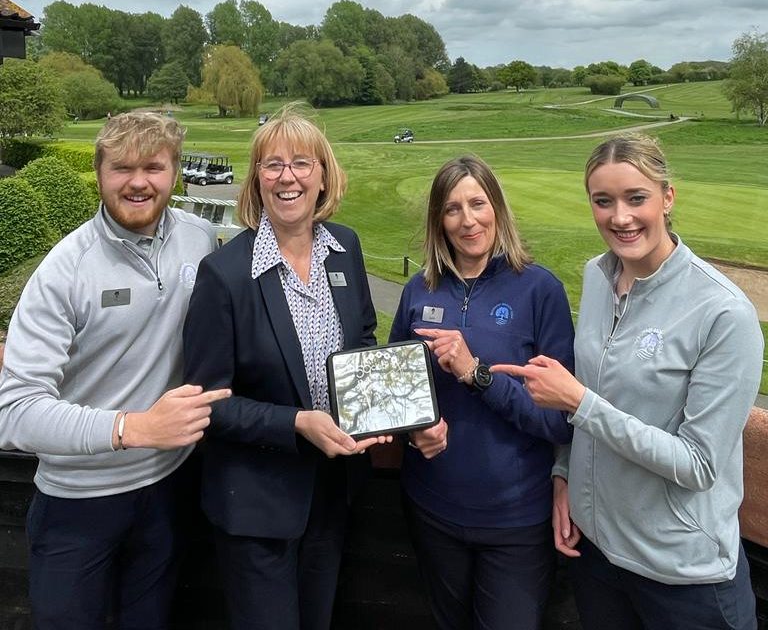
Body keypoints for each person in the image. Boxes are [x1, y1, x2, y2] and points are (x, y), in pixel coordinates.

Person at [494, 134, 763, 630]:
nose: (620, 217)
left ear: (668, 197)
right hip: (598, 555)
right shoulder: (597, 275)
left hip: (683, 576)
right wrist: (564, 472)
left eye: (636, 198)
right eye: (603, 201)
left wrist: (580, 403)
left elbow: (700, 465)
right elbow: (596, 390)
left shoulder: (723, 313)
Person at [0, 111, 231, 629]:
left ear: (175, 173)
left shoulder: (199, 237)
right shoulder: (65, 270)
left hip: (168, 489)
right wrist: (133, 427)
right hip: (76, 505)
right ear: (100, 174)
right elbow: (13, 413)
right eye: (122, 168)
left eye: (154, 166)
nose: (138, 182)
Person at [182, 103, 391, 630]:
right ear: (256, 180)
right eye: (271, 165)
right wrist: (297, 423)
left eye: (301, 162)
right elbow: (209, 401)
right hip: (256, 502)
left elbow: (362, 338)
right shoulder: (224, 275)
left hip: (332, 489)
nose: (287, 176)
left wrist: (379, 407)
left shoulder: (345, 249)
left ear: (323, 175)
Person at [389, 154, 575, 630]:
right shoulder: (419, 290)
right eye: (452, 209)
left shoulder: (540, 290)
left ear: (497, 207)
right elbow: (393, 395)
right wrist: (414, 432)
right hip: (433, 510)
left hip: (516, 520)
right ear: (439, 220)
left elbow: (558, 420)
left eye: (478, 203)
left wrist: (477, 373)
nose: (468, 220)